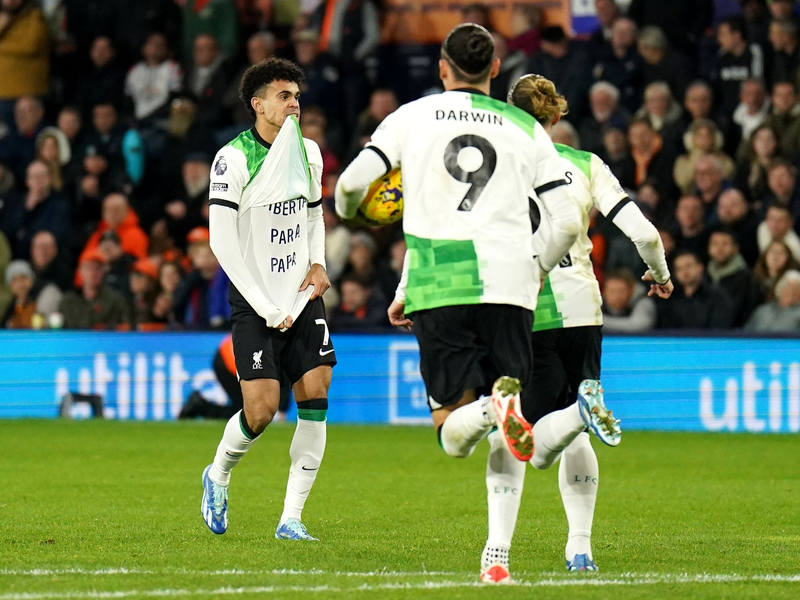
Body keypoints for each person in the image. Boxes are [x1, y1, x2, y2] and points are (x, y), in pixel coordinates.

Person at [336, 24, 583, 583]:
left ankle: (490, 411)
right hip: (511, 285)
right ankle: (497, 557)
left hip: (440, 282)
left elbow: (350, 187)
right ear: (495, 70)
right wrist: (536, 265)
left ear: (442, 69)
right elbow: (566, 220)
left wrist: (363, 213)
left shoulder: (410, 117)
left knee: (452, 433)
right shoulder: (527, 128)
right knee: (507, 418)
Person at [508, 73, 671, 571]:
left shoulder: (496, 169)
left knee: (529, 445)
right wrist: (659, 274)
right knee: (569, 436)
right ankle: (579, 546)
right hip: (583, 310)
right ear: (556, 116)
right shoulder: (586, 164)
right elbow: (643, 232)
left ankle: (582, 411)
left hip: (526, 309)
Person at [201, 57, 334, 543]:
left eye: (296, 95)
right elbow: (221, 242)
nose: (294, 102)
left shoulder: (311, 153)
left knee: (316, 394)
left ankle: (291, 518)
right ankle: (217, 473)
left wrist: (318, 264)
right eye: (284, 95)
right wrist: (261, 303)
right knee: (260, 411)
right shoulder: (232, 159)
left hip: (300, 296)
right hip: (256, 300)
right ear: (258, 105)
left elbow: (314, 215)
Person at [657, 250, 734, 329]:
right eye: (679, 269)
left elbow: (720, 327)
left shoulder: (717, 296)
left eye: (689, 266)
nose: (685, 272)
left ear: (700, 267)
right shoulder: (671, 297)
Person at [59, 249, 130, 330]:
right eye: (88, 268)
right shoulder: (68, 301)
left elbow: (124, 328)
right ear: (80, 271)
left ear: (103, 271)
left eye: (97, 268)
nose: (93, 273)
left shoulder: (115, 300)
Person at [706, 229, 763, 327]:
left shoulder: (747, 279)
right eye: (715, 244)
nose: (719, 249)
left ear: (735, 248)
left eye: (725, 244)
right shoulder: (704, 276)